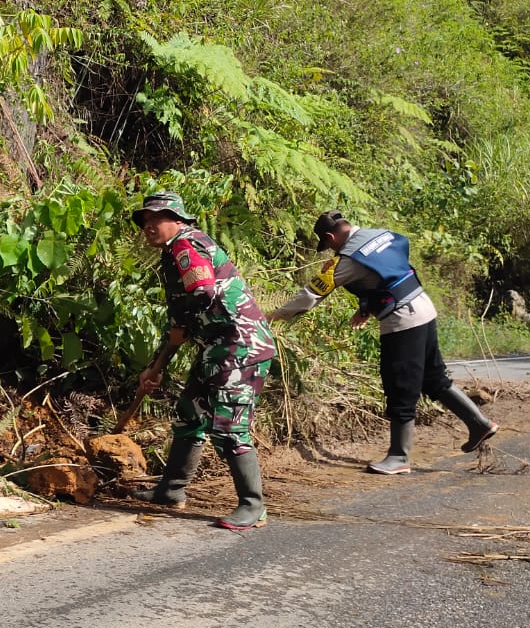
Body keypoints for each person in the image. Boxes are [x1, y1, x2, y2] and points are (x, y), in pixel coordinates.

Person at [268, 211, 498, 474]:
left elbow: (311, 295)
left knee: (399, 383)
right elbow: (387, 272)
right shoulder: (379, 235)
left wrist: (275, 316)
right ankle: (479, 423)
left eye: (328, 245)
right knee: (434, 379)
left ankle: (399, 457)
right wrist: (366, 307)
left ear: (331, 237)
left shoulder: (347, 260)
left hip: (402, 320)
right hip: (423, 306)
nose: (330, 250)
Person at [129, 192, 275, 530]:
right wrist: (155, 366)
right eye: (145, 221)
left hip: (241, 345)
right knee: (190, 411)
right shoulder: (173, 252)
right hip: (217, 345)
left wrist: (180, 328)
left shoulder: (186, 244)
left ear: (178, 220)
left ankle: (254, 506)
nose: (149, 226)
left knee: (228, 424)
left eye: (157, 218)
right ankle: (172, 490)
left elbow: (202, 293)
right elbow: (180, 323)